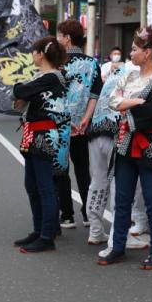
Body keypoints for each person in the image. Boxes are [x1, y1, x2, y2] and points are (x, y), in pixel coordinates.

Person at [98, 27, 152, 270]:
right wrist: (135, 102)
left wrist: (126, 106)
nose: (130, 53)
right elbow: (110, 99)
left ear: (148, 52)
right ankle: (118, 246)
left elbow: (151, 113)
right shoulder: (129, 76)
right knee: (122, 199)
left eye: (134, 49)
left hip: (149, 145)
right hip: (125, 144)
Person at [11, 37, 71, 254]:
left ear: (40, 54)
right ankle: (38, 230)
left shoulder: (52, 77)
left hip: (44, 133)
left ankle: (47, 236)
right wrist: (22, 91)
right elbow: (20, 98)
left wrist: (21, 89)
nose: (32, 55)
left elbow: (19, 92)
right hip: (33, 131)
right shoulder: (41, 78)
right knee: (32, 185)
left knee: (45, 186)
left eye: (33, 52)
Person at [81, 43, 128, 245]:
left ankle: (95, 230)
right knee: (120, 183)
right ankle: (118, 234)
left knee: (97, 182)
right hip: (115, 132)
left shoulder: (110, 79)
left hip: (96, 131)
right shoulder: (134, 75)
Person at [54, 19, 97, 230]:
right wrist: (86, 118)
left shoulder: (58, 63)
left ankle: (67, 214)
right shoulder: (92, 62)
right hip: (81, 125)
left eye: (60, 35)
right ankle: (88, 213)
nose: (57, 39)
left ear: (67, 38)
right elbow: (95, 94)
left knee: (61, 168)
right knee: (82, 168)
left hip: (60, 123)